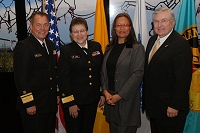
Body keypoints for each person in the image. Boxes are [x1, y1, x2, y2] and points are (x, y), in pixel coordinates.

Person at [143, 7, 192, 133]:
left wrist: (174, 105)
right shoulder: (152, 40)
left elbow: (183, 79)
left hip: (170, 109)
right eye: (156, 21)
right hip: (155, 107)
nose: (159, 25)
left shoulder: (180, 44)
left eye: (164, 21)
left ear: (172, 22)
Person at [58, 17, 104, 133]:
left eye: (82, 30)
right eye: (75, 31)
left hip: (92, 100)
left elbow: (101, 72)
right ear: (71, 34)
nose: (79, 34)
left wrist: (102, 93)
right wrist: (70, 103)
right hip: (75, 103)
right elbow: (64, 79)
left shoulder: (96, 46)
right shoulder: (67, 50)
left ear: (87, 31)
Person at [14, 12, 58, 133]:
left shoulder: (50, 45)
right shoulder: (24, 46)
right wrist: (29, 103)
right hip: (34, 106)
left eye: (45, 25)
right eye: (38, 25)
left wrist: (57, 94)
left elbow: (53, 73)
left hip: (49, 104)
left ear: (49, 26)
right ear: (31, 26)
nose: (42, 29)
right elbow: (20, 78)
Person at [101, 13, 145, 133]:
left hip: (127, 101)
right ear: (114, 28)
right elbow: (103, 72)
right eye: (118, 25)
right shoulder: (109, 47)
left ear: (130, 28)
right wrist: (105, 91)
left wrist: (119, 96)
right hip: (110, 100)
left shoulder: (137, 48)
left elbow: (138, 74)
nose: (122, 28)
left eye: (125, 25)